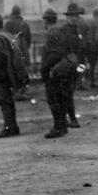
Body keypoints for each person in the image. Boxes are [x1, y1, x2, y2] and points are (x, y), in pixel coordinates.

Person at [40, 8, 70, 139]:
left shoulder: (51, 34)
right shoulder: (59, 32)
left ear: (46, 21)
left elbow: (55, 54)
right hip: (60, 70)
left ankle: (58, 127)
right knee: (60, 99)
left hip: (54, 72)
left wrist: (44, 68)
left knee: (53, 100)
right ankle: (62, 127)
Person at [58, 3, 86, 126]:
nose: (74, 18)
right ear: (67, 17)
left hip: (76, 65)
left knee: (70, 92)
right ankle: (71, 119)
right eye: (72, 16)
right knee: (67, 93)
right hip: (67, 65)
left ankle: (69, 119)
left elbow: (80, 49)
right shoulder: (63, 31)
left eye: (76, 16)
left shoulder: (78, 30)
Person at [86, 8, 98, 87]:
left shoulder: (90, 22)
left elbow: (88, 34)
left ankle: (92, 82)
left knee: (92, 65)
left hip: (91, 46)